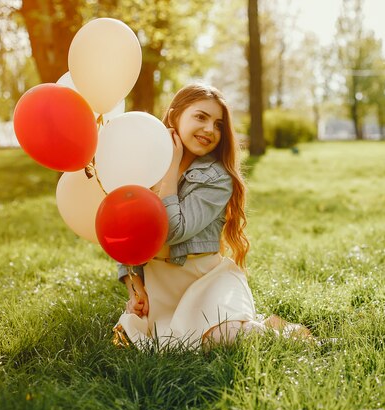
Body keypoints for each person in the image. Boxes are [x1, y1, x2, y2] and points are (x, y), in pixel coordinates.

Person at [113, 83, 310, 349]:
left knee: (223, 337)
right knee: (162, 346)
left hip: (206, 283)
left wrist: (171, 171)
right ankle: (257, 323)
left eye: (218, 124)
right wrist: (134, 286)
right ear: (174, 117)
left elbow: (173, 230)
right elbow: (119, 232)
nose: (210, 129)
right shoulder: (142, 167)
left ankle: (284, 336)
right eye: (200, 117)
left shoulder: (217, 178)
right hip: (162, 292)